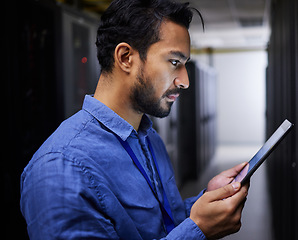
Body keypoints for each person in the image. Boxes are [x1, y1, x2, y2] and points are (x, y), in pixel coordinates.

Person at [20, 0, 249, 239]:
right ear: (126, 57)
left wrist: (205, 203)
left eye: (185, 65)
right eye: (174, 62)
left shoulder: (149, 138)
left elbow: (159, 226)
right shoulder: (61, 169)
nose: (185, 81)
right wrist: (198, 231)